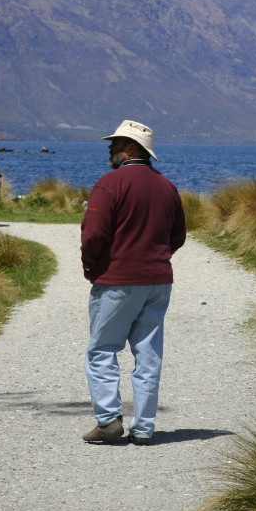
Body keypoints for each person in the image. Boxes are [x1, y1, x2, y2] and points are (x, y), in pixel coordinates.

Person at [81, 120, 186, 446]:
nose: (110, 148)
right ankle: (143, 428)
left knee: (102, 351)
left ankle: (109, 420)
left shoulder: (110, 184)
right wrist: (154, 258)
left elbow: (93, 234)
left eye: (115, 143)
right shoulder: (167, 186)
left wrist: (92, 267)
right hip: (157, 282)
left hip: (116, 282)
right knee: (148, 356)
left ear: (131, 148)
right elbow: (178, 235)